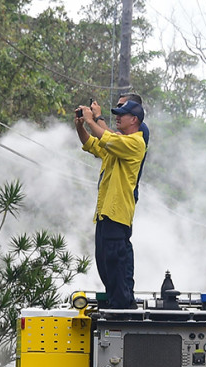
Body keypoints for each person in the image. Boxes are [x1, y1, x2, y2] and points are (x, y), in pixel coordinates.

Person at [75, 94, 148, 310]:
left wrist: (92, 119)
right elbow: (92, 143)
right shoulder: (117, 144)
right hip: (105, 213)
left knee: (117, 260)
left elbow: (106, 138)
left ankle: (123, 304)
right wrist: (80, 126)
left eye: (121, 115)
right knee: (105, 261)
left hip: (118, 213)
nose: (117, 118)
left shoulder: (135, 142)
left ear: (134, 119)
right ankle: (116, 301)